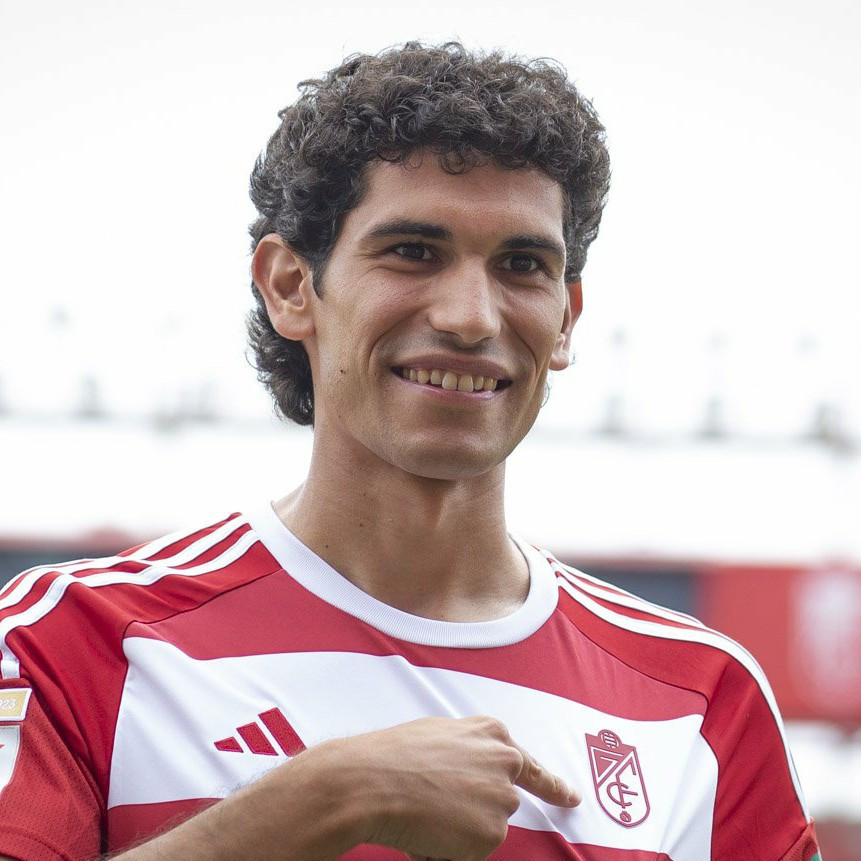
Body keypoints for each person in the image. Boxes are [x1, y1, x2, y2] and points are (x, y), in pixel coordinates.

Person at [0, 42, 819, 861]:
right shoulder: (69, 641)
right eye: (413, 252)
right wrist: (329, 798)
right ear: (289, 285)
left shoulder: (701, 698)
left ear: (565, 318)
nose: (471, 317)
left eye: (522, 265)